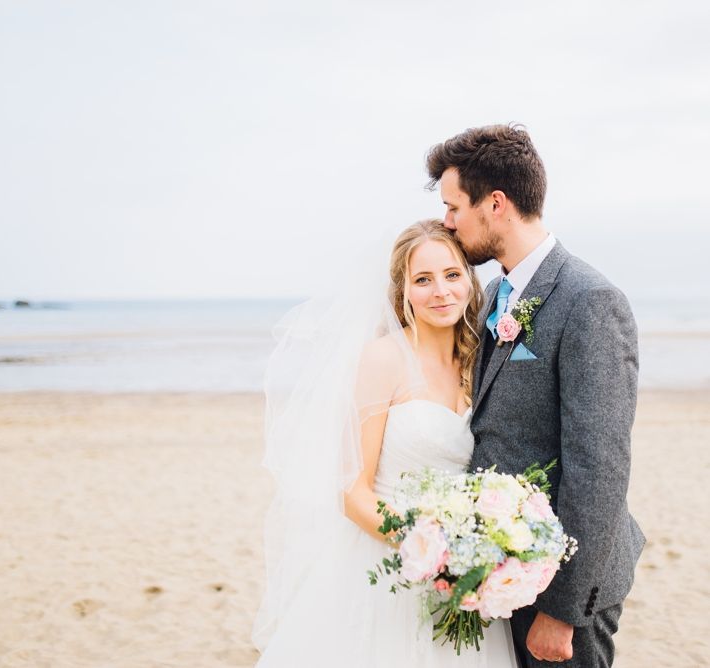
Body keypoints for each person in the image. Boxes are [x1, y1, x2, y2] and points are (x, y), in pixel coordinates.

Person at [426, 124, 645, 667]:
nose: (447, 222)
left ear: (495, 203)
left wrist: (563, 609)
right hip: (505, 574)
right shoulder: (495, 294)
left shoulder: (589, 300)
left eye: (454, 207)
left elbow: (599, 466)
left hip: (563, 586)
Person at [253, 220, 518, 667]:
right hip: (388, 563)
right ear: (402, 292)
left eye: (452, 275)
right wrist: (430, 549)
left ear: (470, 282)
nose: (441, 291)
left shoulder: (479, 361)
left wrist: (471, 553)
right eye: (423, 279)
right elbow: (352, 490)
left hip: (463, 576)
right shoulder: (383, 359)